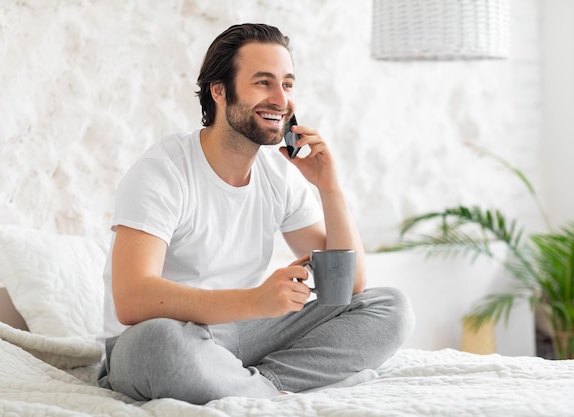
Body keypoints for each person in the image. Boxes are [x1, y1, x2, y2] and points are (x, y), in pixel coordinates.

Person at [97, 23, 414, 405]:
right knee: (162, 345)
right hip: (160, 336)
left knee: (389, 307)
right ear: (219, 91)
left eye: (288, 84)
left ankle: (260, 385)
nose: (281, 99)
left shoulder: (279, 174)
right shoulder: (163, 169)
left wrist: (329, 187)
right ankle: (253, 388)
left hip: (240, 335)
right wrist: (256, 301)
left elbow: (347, 288)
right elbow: (131, 298)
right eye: (263, 83)